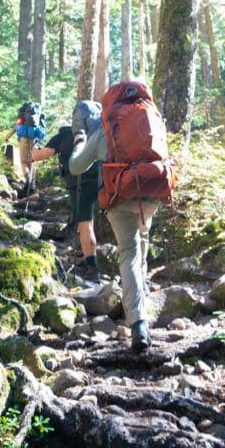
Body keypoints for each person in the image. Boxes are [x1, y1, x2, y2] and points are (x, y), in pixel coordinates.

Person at [69, 116, 158, 354]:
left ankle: (139, 324)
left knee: (129, 253)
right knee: (142, 243)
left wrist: (79, 141)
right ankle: (141, 297)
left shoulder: (104, 132)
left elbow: (76, 166)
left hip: (119, 198)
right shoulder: (148, 122)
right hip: (151, 192)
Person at [30, 125, 101, 282]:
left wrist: (33, 143)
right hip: (99, 181)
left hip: (79, 184)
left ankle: (93, 270)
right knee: (86, 221)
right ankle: (87, 253)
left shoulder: (64, 135)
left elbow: (37, 156)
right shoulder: (96, 132)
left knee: (85, 224)